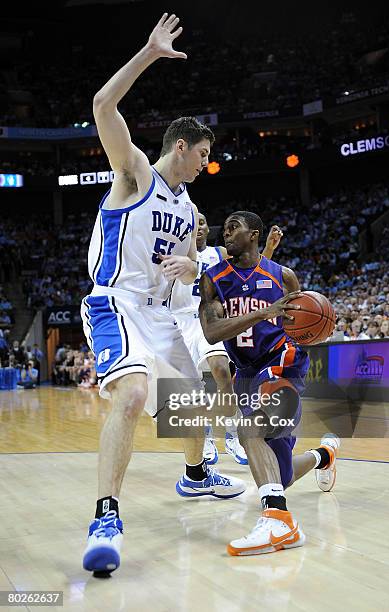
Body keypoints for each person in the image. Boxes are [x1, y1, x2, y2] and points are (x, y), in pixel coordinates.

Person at [80, 13, 245, 575]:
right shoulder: (138, 174)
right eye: (202, 155)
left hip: (160, 314)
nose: (206, 164)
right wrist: (150, 53)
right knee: (131, 395)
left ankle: (195, 476)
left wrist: (189, 262)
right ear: (181, 145)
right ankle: (106, 515)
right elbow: (104, 105)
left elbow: (190, 267)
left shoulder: (189, 209)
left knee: (191, 404)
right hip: (116, 301)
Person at [199, 211, 340, 556]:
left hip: (282, 363)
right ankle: (325, 455)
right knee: (282, 475)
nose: (226, 232)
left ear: (254, 234)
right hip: (245, 372)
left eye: (234, 227)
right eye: (226, 226)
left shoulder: (284, 276)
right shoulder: (213, 278)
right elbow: (211, 331)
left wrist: (312, 332)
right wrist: (263, 312)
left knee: (250, 430)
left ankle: (279, 521)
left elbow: (304, 323)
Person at [171, 212, 283, 465]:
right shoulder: (173, 251)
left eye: (202, 222)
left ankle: (232, 433)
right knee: (190, 389)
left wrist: (268, 250)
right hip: (177, 321)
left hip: (209, 320)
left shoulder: (220, 253)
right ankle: (207, 436)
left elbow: (251, 270)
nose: (198, 227)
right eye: (193, 222)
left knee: (222, 371)